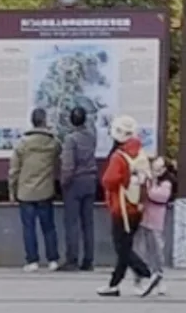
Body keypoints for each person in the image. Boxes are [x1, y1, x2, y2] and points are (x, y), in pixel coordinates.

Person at [98, 115, 161, 298]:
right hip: (137, 206)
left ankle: (147, 273)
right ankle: (114, 284)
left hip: (121, 207)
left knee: (122, 248)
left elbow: (109, 180)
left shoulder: (119, 156)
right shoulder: (140, 153)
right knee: (125, 246)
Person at [8, 107, 60, 272]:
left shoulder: (22, 144)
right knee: (49, 227)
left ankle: (32, 261)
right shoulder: (53, 143)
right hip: (45, 190)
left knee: (28, 227)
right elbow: (59, 152)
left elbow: (14, 170)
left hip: (25, 191)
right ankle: (53, 259)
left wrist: (11, 190)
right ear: (44, 121)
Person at [59, 105, 98, 272]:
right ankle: (88, 260)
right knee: (88, 223)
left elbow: (68, 164)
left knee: (72, 222)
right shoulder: (91, 136)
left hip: (75, 181)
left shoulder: (70, 139)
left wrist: (64, 182)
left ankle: (72, 259)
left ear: (71, 120)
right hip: (90, 180)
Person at [135, 156, 173, 296]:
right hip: (142, 219)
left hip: (156, 221)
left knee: (156, 251)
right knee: (141, 251)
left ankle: (159, 278)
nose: (156, 171)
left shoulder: (166, 183)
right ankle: (139, 279)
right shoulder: (147, 179)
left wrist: (149, 188)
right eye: (154, 168)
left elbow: (160, 196)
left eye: (160, 168)